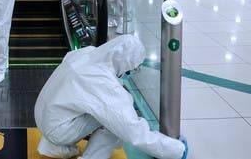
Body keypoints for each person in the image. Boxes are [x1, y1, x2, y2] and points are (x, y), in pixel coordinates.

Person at [34, 35, 188, 159]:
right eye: (130, 71)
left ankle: (52, 146)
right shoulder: (102, 82)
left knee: (102, 109)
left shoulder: (86, 52)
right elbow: (132, 131)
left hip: (43, 116)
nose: (127, 74)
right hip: (58, 130)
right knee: (116, 123)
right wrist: (176, 150)